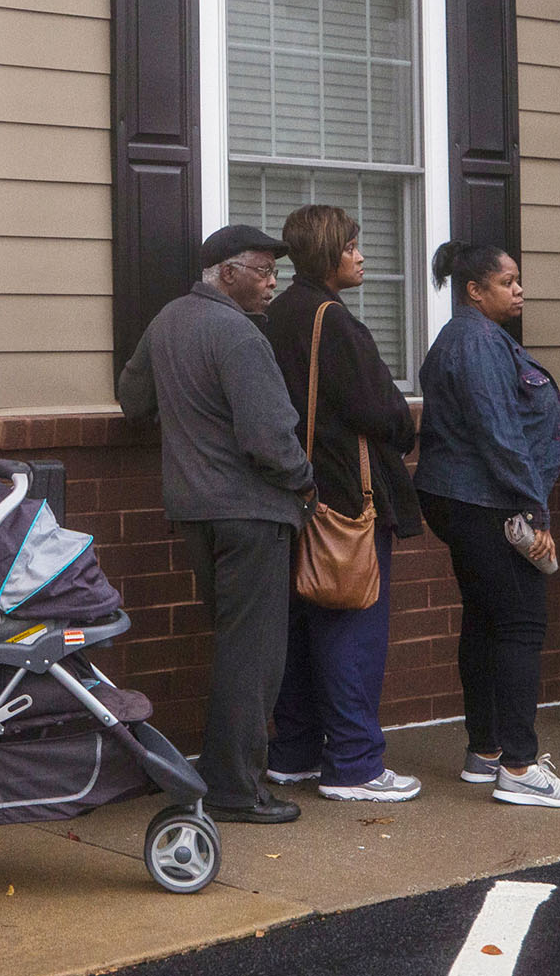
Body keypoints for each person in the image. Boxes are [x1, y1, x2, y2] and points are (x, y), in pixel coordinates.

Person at [117, 223, 314, 825]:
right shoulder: (239, 334)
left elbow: (134, 400)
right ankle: (235, 788)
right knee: (253, 657)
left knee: (235, 647)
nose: (272, 283)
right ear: (227, 273)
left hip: (194, 512)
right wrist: (304, 479)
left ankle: (220, 775)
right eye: (263, 271)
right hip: (251, 513)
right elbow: (268, 438)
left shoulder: (168, 321)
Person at [260, 204, 422, 803]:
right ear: (330, 253)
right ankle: (354, 763)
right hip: (344, 501)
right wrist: (403, 426)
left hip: (288, 495)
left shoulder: (274, 318)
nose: (362, 256)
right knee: (351, 626)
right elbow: (382, 412)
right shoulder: (335, 321)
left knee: (300, 628)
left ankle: (294, 754)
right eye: (353, 246)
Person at [414, 241, 560, 809]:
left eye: (518, 280)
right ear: (474, 290)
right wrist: (534, 511)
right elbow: (499, 432)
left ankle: (484, 753)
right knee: (520, 625)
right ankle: (518, 765)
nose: (519, 290)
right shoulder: (480, 342)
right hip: (489, 501)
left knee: (487, 620)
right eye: (507, 281)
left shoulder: (466, 338)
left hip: (462, 499)